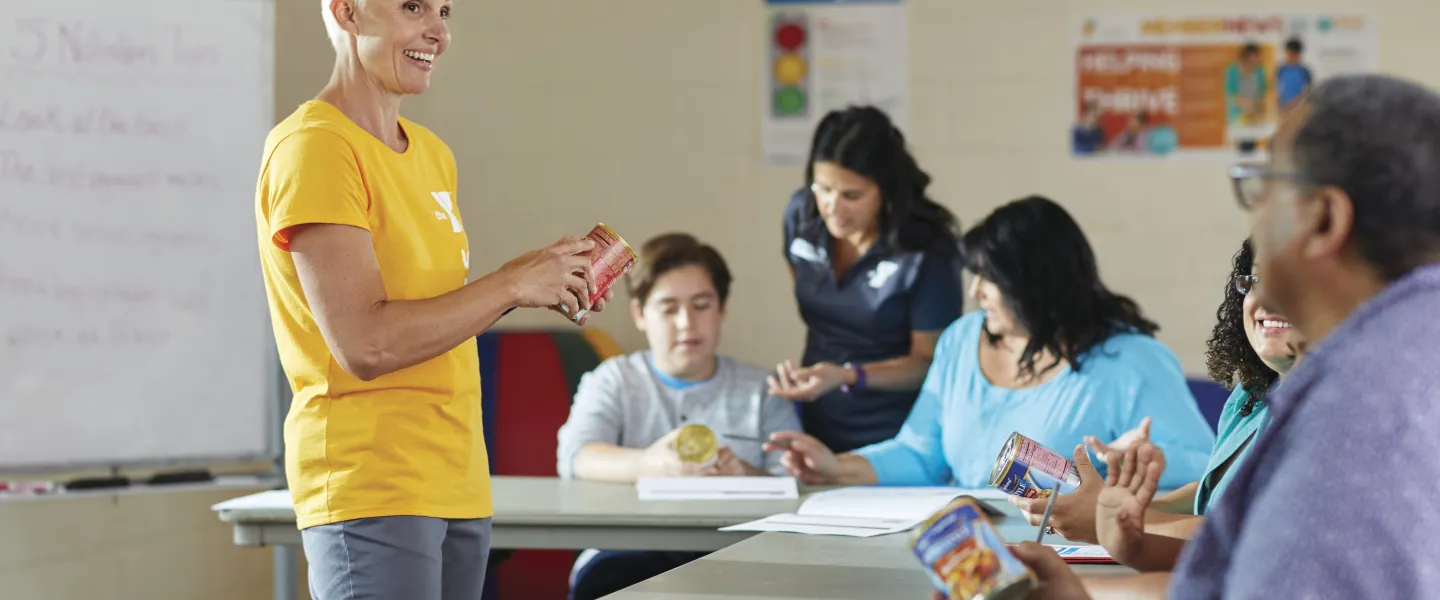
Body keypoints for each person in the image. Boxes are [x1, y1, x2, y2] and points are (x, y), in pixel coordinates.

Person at [1021, 73, 1440, 599]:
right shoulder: (1405, 350)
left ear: (1325, 219)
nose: (1253, 215)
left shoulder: (1359, 408)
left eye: (1262, 189)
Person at [254, 2, 611, 598]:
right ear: (347, 12)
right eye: (412, 6)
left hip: (457, 475)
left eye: (445, 10)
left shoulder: (431, 153)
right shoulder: (315, 148)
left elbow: (439, 313)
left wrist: (530, 281)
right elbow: (366, 343)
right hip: (371, 478)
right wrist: (510, 285)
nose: (439, 31)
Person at [765, 196, 1215, 492]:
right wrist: (835, 466)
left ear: (1037, 283)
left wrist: (1133, 462)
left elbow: (1204, 467)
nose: (975, 292)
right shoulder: (962, 340)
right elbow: (920, 453)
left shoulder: (1130, 360)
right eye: (973, 276)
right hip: (968, 555)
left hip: (1074, 563)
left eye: (989, 279)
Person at [1011, 238, 1305, 558]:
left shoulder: (1336, 417)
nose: (1265, 296)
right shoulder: (1252, 394)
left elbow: (1243, 534)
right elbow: (1214, 493)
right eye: (1256, 279)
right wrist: (1120, 501)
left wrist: (1111, 520)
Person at [556, 233, 800, 600]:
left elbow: (792, 485)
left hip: (736, 552)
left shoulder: (764, 389)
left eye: (702, 305)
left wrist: (744, 476)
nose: (687, 323)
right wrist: (653, 464)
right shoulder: (614, 379)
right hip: (627, 550)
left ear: (723, 308)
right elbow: (576, 457)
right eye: (669, 309)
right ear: (640, 314)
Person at [771, 105, 965, 454]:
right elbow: (816, 302)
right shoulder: (801, 216)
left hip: (898, 434)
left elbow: (929, 364)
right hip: (818, 419)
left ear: (885, 191)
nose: (833, 206)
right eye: (823, 188)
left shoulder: (926, 249)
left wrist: (848, 375)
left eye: (852, 195)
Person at [1275, 37, 1313, 111]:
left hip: (1299, 108)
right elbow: (1276, 88)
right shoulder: (1281, 69)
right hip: (1283, 107)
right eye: (1287, 53)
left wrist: (1296, 101)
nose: (1289, 56)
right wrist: (1279, 102)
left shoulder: (1304, 71)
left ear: (1297, 54)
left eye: (1291, 54)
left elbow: (1309, 90)